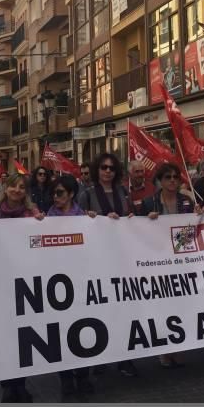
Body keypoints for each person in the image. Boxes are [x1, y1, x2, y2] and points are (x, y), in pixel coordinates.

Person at [0, 173, 44, 402]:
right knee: (4, 334)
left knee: (25, 335)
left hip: (26, 284)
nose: (17, 190)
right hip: (1, 286)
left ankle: (21, 383)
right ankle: (8, 384)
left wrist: (41, 223)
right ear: (5, 189)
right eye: (13, 186)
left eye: (22, 187)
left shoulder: (31, 214)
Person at [137, 162, 202, 368]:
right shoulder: (149, 203)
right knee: (163, 307)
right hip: (158, 262)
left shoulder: (186, 201)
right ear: (160, 181)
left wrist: (201, 214)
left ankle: (179, 346)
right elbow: (136, 231)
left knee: (181, 305)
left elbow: (192, 230)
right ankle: (164, 349)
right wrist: (146, 221)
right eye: (168, 177)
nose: (172, 180)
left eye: (175, 176)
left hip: (182, 261)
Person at [77, 154, 137, 377]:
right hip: (98, 261)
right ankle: (102, 356)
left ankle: (125, 358)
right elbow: (77, 220)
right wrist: (89, 217)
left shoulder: (123, 192)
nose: (108, 171)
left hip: (122, 259)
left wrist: (132, 217)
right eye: (103, 167)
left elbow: (131, 215)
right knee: (102, 310)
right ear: (97, 170)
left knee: (123, 309)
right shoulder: (87, 194)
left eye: (112, 168)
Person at [43, 175, 95, 396]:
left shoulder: (84, 217)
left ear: (72, 194)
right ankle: (65, 378)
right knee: (61, 332)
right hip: (57, 285)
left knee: (83, 329)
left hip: (80, 282)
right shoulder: (45, 219)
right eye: (54, 193)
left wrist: (96, 221)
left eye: (60, 193)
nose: (56, 197)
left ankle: (83, 376)